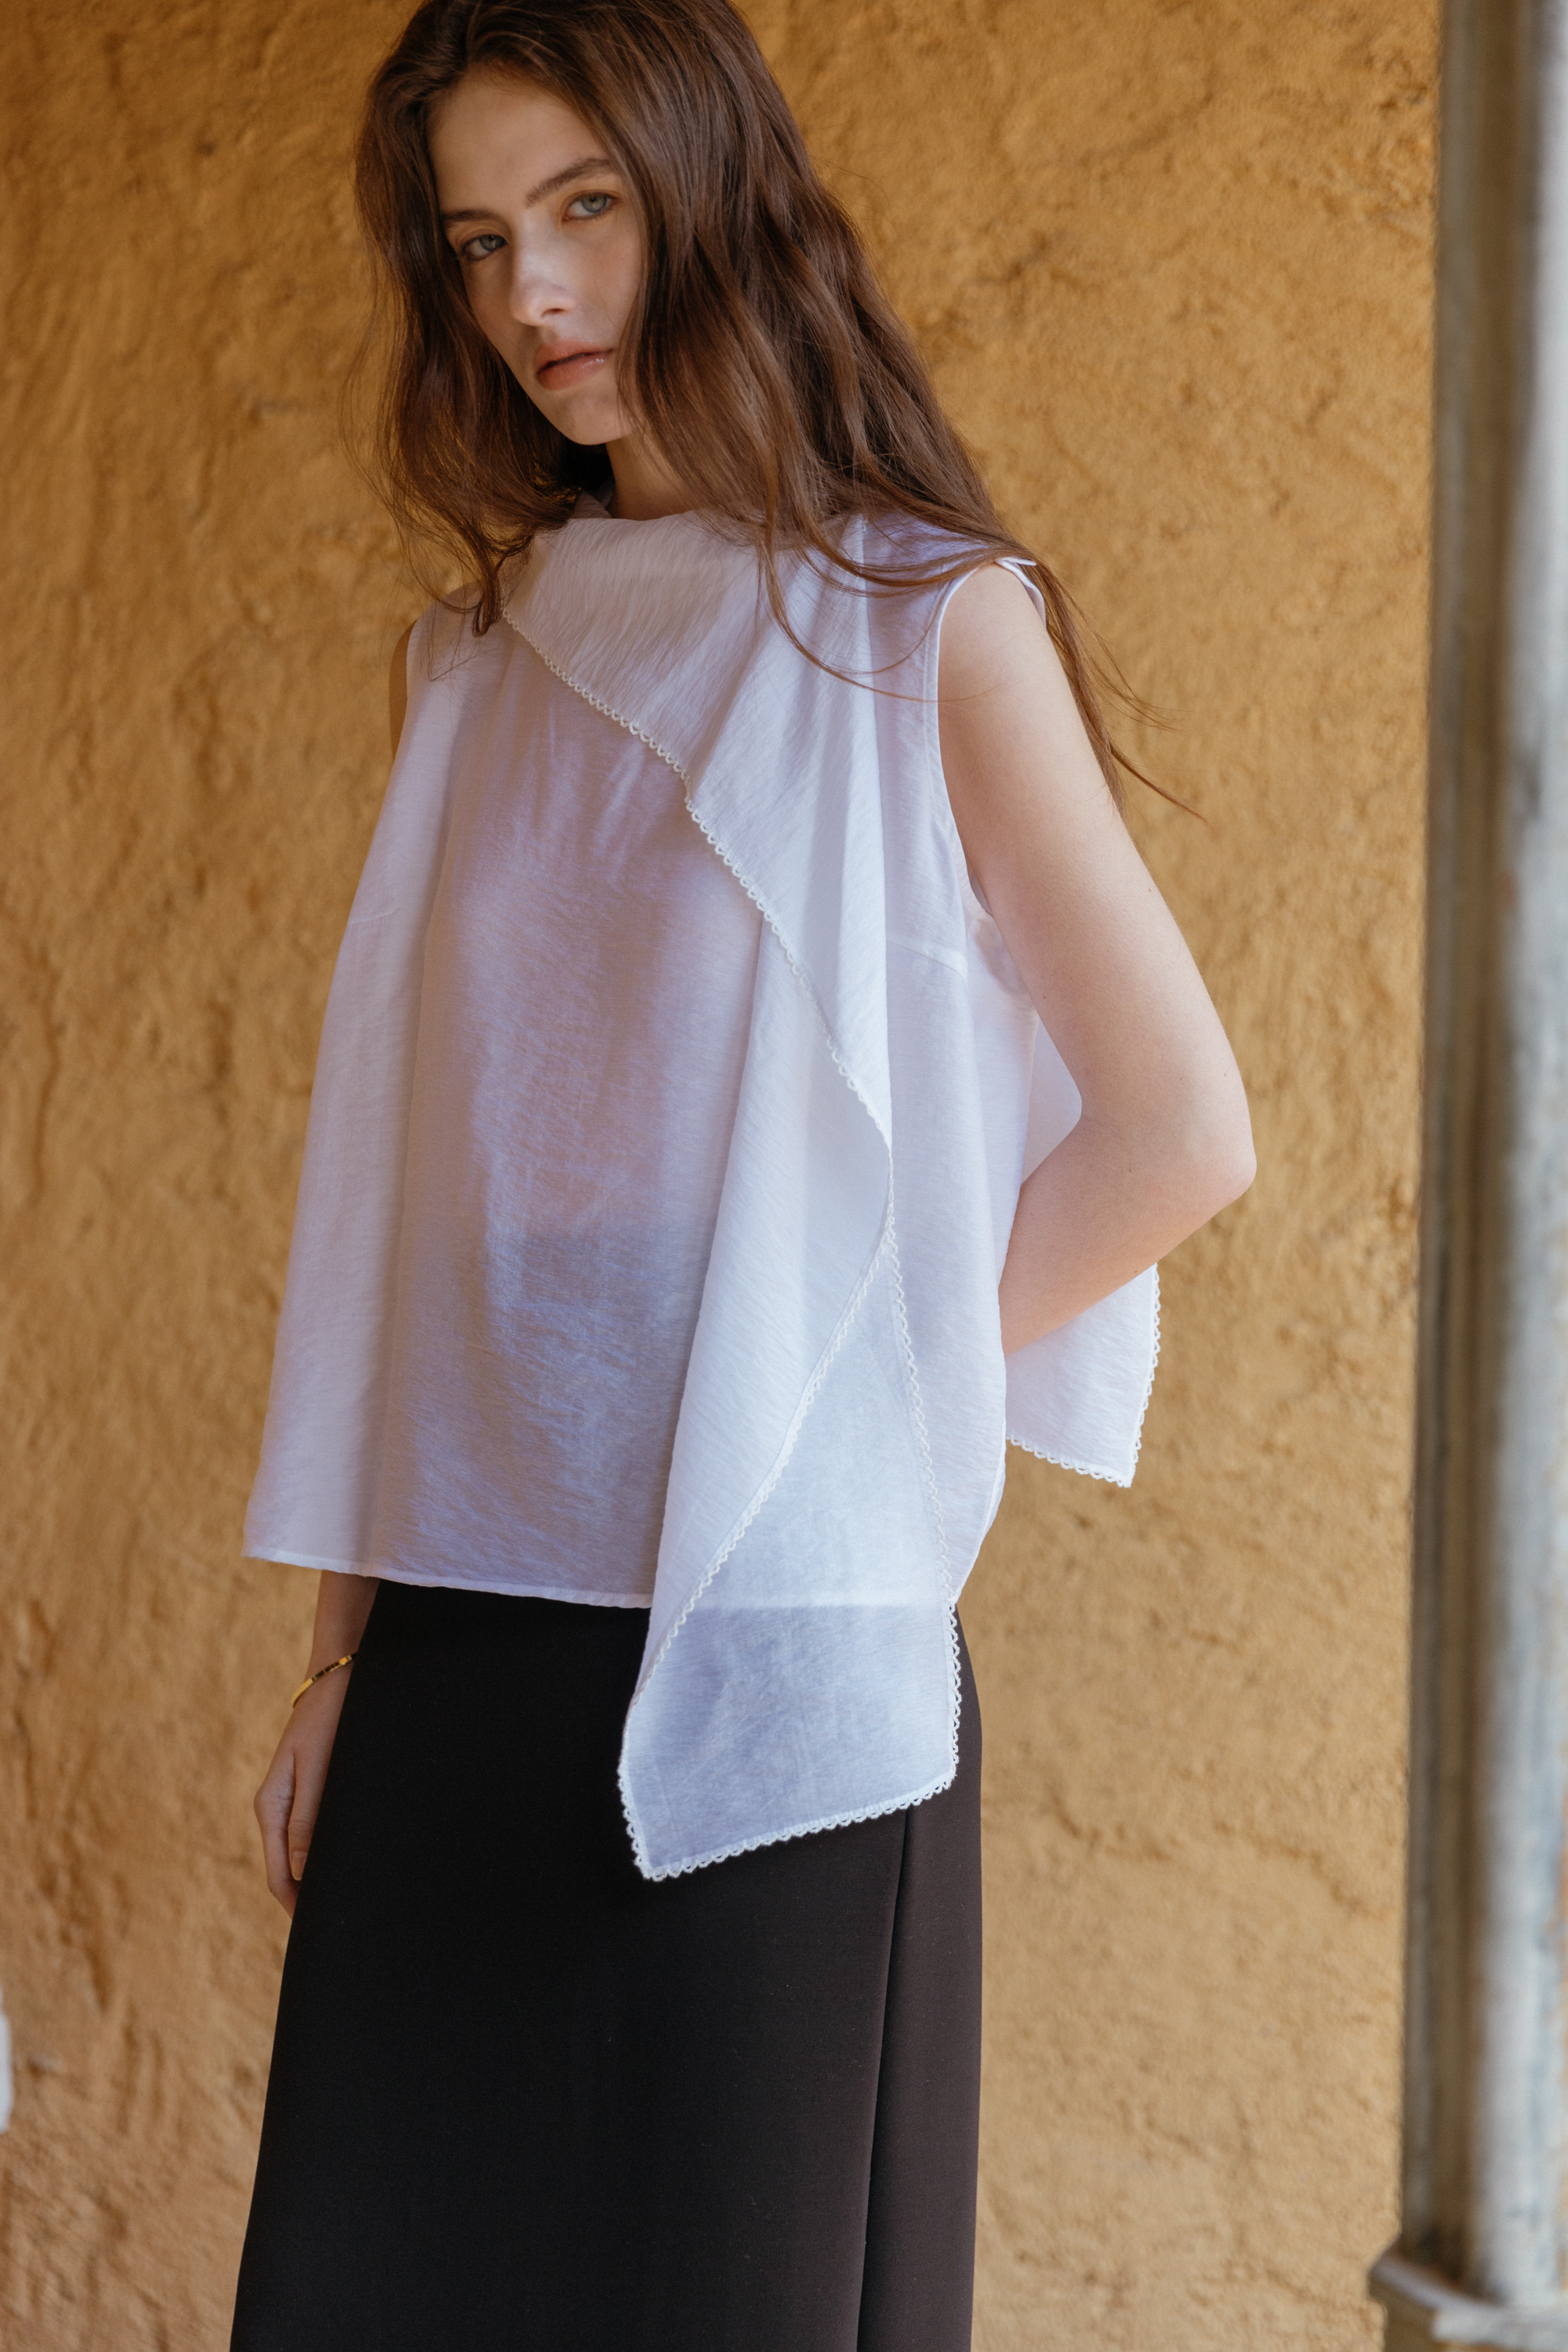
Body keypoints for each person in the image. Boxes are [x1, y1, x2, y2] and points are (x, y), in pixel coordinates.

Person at [230, 2, 1255, 2346]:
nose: (531, 294)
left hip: (773, 1653)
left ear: (717, 190)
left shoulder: (927, 625)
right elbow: (428, 1213)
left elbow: (1180, 1128)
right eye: (477, 240)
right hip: (468, 1655)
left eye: (584, 206)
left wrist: (833, 1411)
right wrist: (342, 1657)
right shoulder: (474, 666)